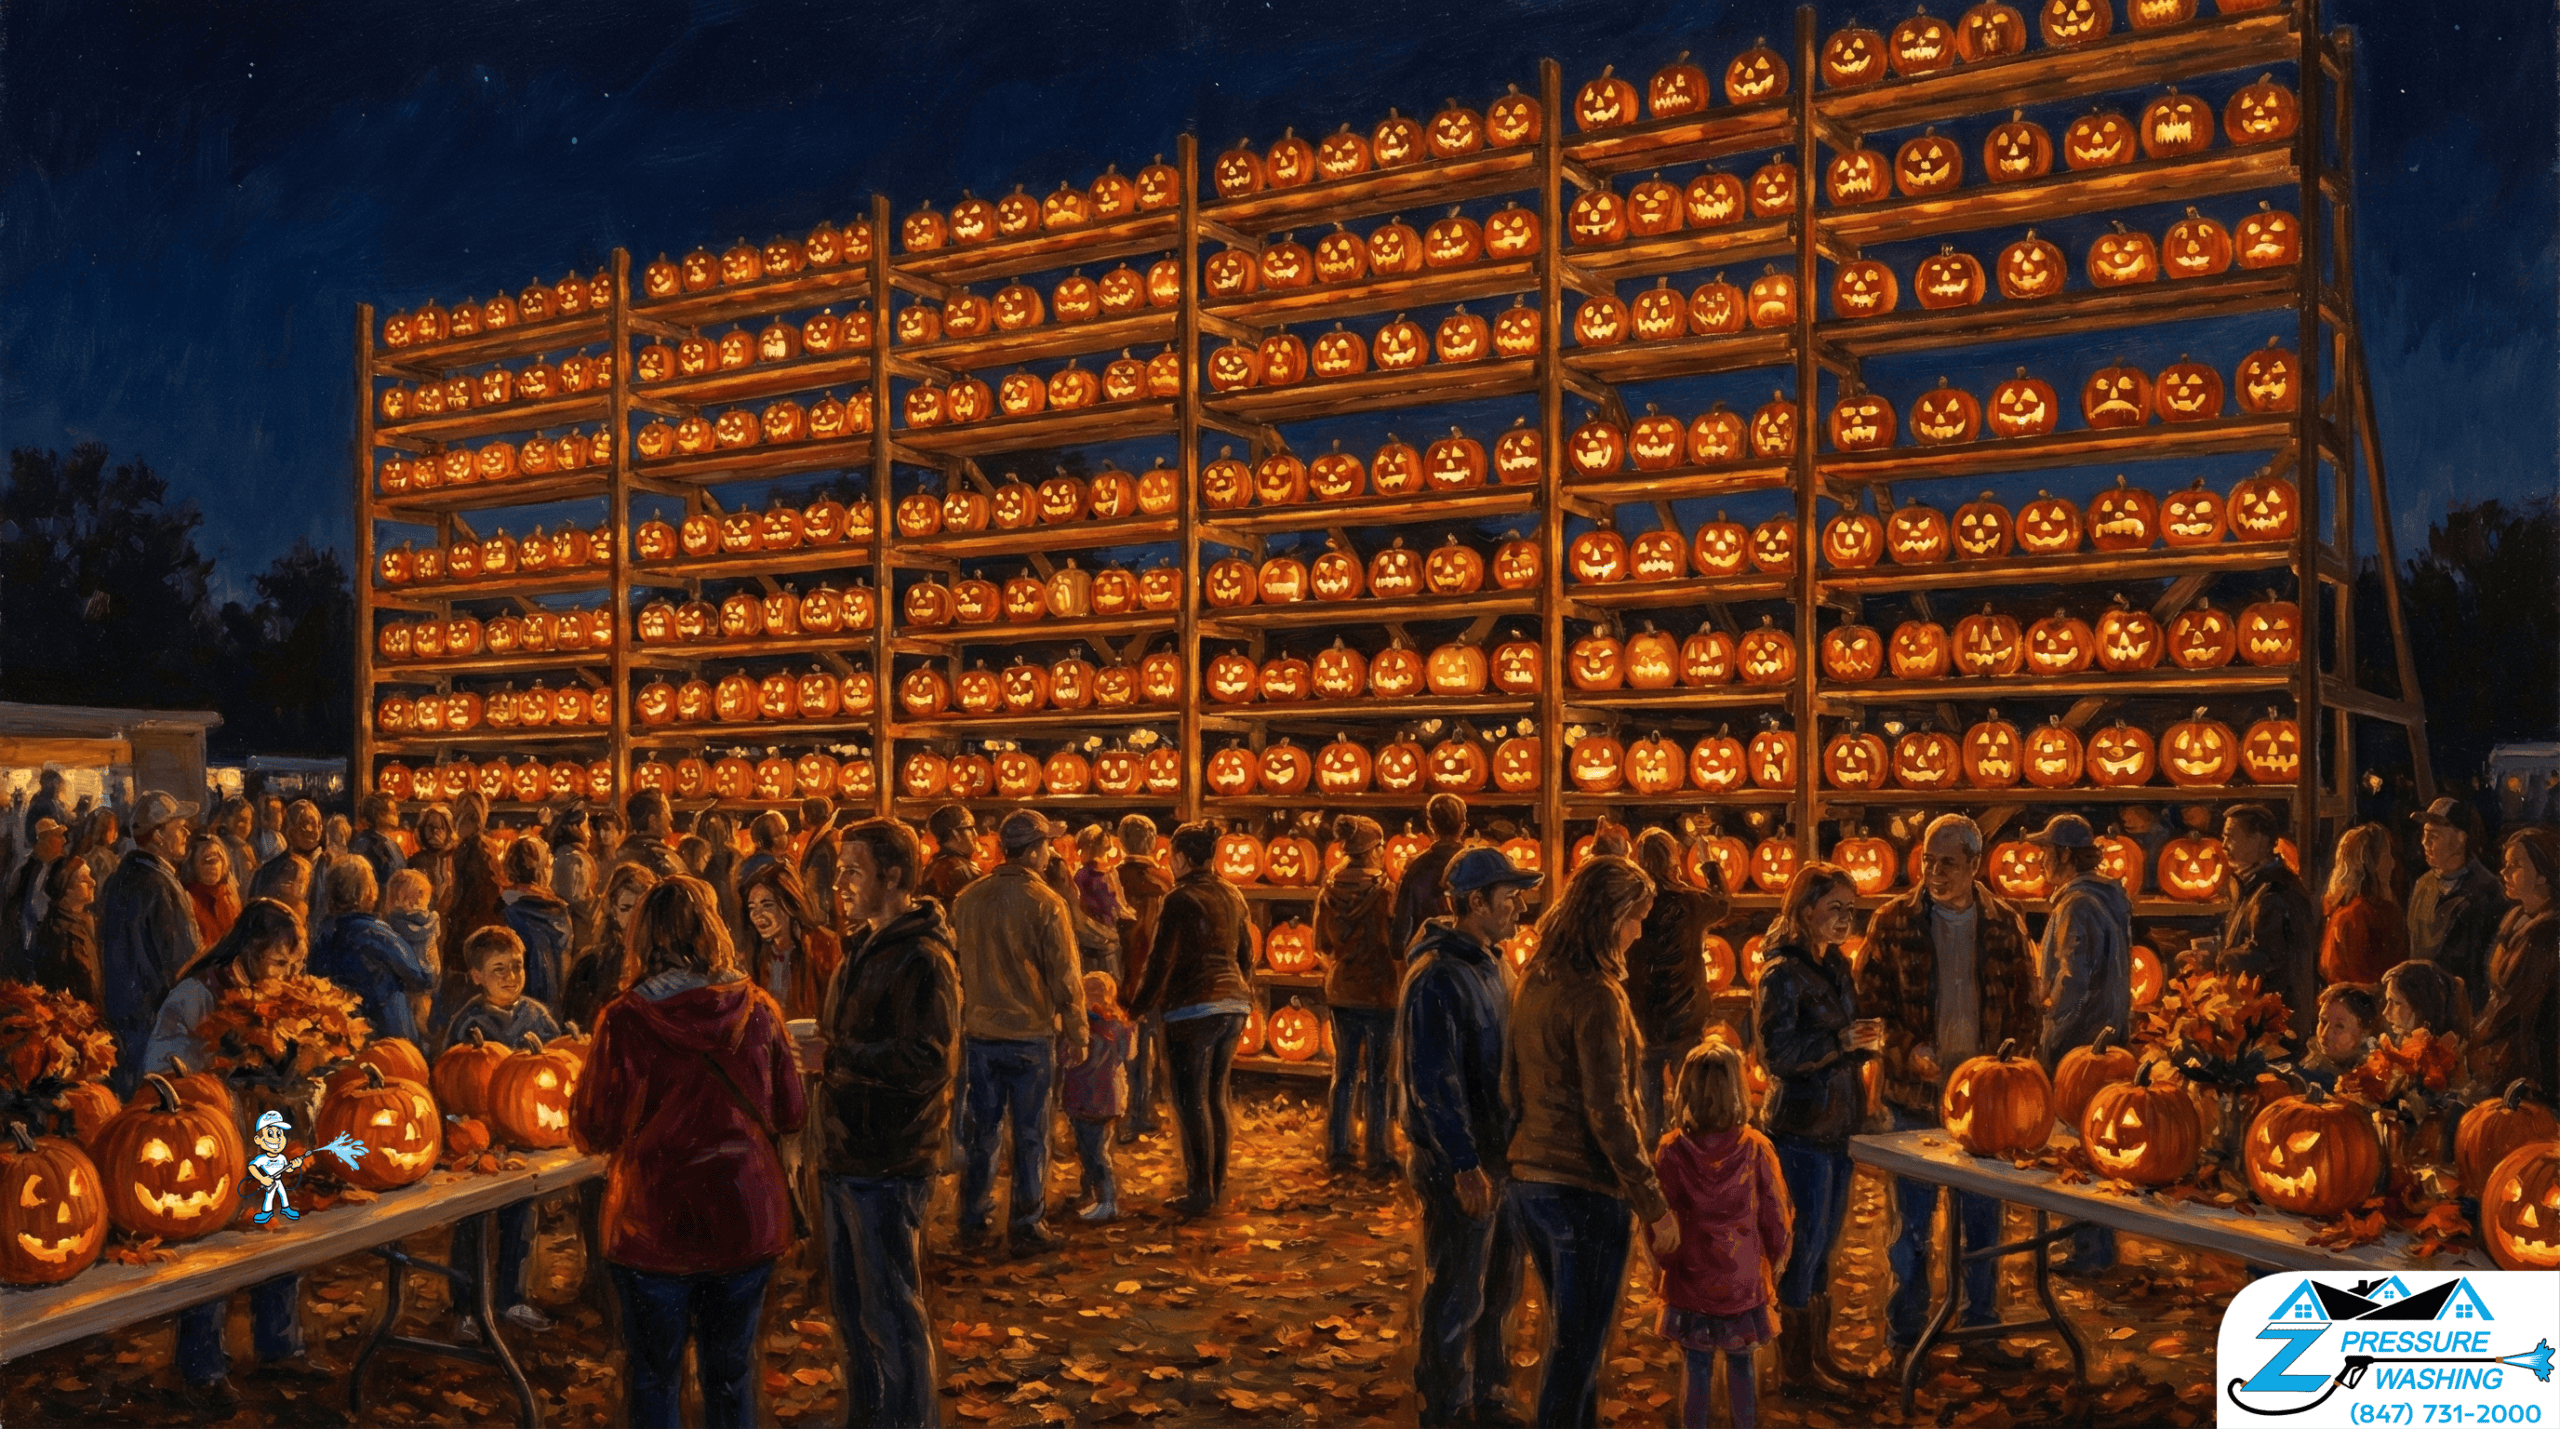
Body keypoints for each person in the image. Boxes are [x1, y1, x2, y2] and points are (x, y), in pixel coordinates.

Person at [571, 876, 806, 1429]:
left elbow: (593, 1128)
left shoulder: (624, 1021)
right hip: (746, 1215)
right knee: (731, 1375)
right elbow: (791, 1111)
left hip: (654, 1222)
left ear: (644, 936)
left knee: (655, 1378)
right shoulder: (758, 1010)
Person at [1856, 814, 2036, 1361]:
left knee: (1982, 1222)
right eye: (1928, 861)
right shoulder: (1893, 922)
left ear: (1975, 865)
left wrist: (2009, 1069)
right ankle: (1906, 1331)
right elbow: (1870, 1009)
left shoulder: (2005, 924)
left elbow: (2027, 1010)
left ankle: (1981, 1326)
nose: (1935, 872)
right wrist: (1907, 1050)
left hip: (1986, 1104)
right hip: (1915, 1098)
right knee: (1912, 1226)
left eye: (1948, 863)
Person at [1504, 854, 1674, 1429]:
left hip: (1531, 1183)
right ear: (1610, 917)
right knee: (1578, 1350)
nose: (1639, 931)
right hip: (1585, 1190)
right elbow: (1611, 1113)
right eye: (1635, 918)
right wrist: (1652, 1201)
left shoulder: (1536, 978)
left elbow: (1510, 1082)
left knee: (1570, 1336)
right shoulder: (1597, 996)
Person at [143, 898, 332, 1413]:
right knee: (214, 1243)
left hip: (269, 1131)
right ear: (248, 949)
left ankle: (280, 1343)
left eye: (292, 966)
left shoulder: (282, 995)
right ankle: (203, 1364)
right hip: (213, 1141)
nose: (287, 974)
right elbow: (162, 1065)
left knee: (278, 1229)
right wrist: (222, 1071)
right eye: (278, 963)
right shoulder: (196, 993)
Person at [821, 817, 960, 1429]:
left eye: (852, 870)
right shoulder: (860, 948)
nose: (840, 882)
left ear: (893, 875)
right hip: (844, 1151)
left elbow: (928, 1061)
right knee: (852, 1313)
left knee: (890, 1311)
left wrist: (836, 1058)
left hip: (891, 1156)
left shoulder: (924, 958)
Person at [1399, 846, 1540, 1429]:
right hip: (1459, 1157)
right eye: (1509, 898)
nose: (1520, 908)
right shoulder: (1437, 976)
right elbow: (1434, 1083)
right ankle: (1446, 1401)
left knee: (1502, 1280)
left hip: (1501, 1151)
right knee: (1459, 1284)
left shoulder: (1492, 962)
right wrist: (1462, 1161)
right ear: (1476, 902)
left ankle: (1490, 1385)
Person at [1757, 862, 1884, 1394]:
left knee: (1826, 1245)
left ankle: (1818, 1356)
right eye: (1835, 909)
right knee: (1802, 1245)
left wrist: (1861, 1048)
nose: (1844, 919)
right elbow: (1776, 1055)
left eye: (1850, 911)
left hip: (1838, 1124)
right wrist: (1841, 1045)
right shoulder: (1781, 974)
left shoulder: (1835, 966)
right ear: (1805, 910)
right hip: (1801, 1128)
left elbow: (1842, 1036)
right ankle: (1797, 1370)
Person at [948, 809, 1085, 1253]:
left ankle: (974, 1214)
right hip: (1030, 1033)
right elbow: (1065, 976)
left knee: (981, 1131)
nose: (1051, 853)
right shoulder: (1047, 903)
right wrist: (1078, 1031)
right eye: (1047, 845)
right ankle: (1027, 1221)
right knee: (1030, 1133)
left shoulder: (968, 899)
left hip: (980, 1033)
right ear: (1032, 850)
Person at [1655, 1040, 1789, 1429]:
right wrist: (1776, 1260)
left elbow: (1658, 1223)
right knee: (1741, 1366)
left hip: (1691, 1282)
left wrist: (1663, 1266)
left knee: (1696, 1368)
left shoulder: (1670, 1152)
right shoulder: (1757, 1150)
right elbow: (1776, 1215)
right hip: (1741, 1284)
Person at [1126, 820, 1256, 1216]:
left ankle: (1199, 1191)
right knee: (1216, 1096)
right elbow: (1246, 955)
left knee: (1189, 1101)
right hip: (1233, 1003)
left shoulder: (1178, 899)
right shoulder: (1233, 894)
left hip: (1192, 1006)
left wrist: (1135, 1009)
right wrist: (1238, 992)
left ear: (1181, 858)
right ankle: (1214, 1184)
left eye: (1171, 856)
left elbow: (1160, 961)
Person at [2027, 813, 2132, 1277]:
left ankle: (2088, 1247)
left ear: (2065, 856)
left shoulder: (2077, 906)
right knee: (2097, 1147)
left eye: (2046, 853)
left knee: (2076, 1149)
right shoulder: (2109, 899)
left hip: (2076, 1044)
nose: (2041, 862)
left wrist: (2045, 1011)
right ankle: (2095, 1243)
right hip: (2107, 1038)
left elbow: (2074, 975)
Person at [1626, 828, 1732, 1140]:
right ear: (1674, 864)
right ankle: (1685, 1159)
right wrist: (1708, 863)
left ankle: (1655, 1160)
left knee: (1649, 1103)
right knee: (1689, 1101)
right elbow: (1723, 903)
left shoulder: (1630, 905)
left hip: (1643, 1020)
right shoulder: (1690, 902)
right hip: (1684, 1019)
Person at [1313, 814, 1401, 1175]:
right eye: (1381, 846)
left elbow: (1320, 944)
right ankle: (1378, 1152)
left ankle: (1338, 1149)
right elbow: (1396, 942)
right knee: (1380, 1075)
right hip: (1380, 991)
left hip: (1342, 989)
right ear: (1372, 850)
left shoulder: (1328, 890)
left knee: (1344, 1071)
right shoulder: (1386, 892)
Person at [99, 790, 203, 1095]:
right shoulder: (159, 885)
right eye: (178, 826)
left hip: (126, 1017)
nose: (187, 831)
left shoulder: (121, 878)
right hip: (157, 1019)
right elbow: (184, 962)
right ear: (157, 835)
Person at [2205, 804, 2320, 1022]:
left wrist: (2219, 959)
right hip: (2258, 1014)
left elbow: (2264, 957)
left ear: (2257, 840)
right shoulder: (2253, 885)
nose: (2224, 846)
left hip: (2274, 1020)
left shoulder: (2275, 893)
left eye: (2230, 837)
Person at [309, 855, 438, 1045]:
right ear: (370, 892)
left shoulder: (324, 933)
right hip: (387, 1034)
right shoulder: (377, 932)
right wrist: (432, 961)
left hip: (338, 1034)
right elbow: (420, 977)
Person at [2467, 827, 2558, 1096]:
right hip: (2500, 1047)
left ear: (2542, 873)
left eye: (2516, 865)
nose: (2504, 873)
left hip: (2531, 1058)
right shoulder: (2515, 917)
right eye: (2505, 865)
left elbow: (2512, 1005)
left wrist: (2471, 1041)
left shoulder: (2547, 934)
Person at [2407, 797, 2513, 1007]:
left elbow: (2488, 971)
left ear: (2460, 839)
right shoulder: (2423, 885)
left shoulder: (2488, 892)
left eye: (2433, 836)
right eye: (2424, 835)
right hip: (2421, 1004)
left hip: (2464, 1009)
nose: (2424, 843)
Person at [1112, 814, 1173, 1143]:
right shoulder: (1162, 883)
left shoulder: (1110, 879)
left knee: (1115, 1047)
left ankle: (1116, 1112)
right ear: (1151, 843)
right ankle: (1139, 1112)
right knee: (1146, 1048)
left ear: (1121, 843)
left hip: (1116, 973)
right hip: (1150, 974)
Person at [1062, 970, 1137, 1222]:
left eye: (1096, 993)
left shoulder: (1087, 1027)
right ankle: (1089, 1194)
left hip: (1095, 1097)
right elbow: (1130, 1055)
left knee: (1095, 1151)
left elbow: (1065, 1057)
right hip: (1095, 1097)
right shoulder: (1115, 1026)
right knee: (1088, 1148)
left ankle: (1107, 1200)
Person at [739, 860, 842, 1021]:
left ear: (789, 905)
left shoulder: (824, 945)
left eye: (767, 905)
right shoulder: (760, 955)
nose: (757, 915)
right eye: (752, 907)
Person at [563, 863, 655, 1032]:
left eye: (641, 909)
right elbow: (573, 1028)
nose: (634, 918)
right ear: (613, 910)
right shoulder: (590, 965)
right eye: (626, 909)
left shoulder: (660, 963)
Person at [2321, 823, 2409, 986]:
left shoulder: (2384, 909)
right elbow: (2362, 982)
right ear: (2370, 863)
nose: (2392, 864)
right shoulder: (2356, 915)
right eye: (2386, 856)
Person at [498, 836, 574, 1013]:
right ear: (544, 869)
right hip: (553, 1002)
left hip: (514, 1001)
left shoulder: (504, 908)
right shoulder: (560, 911)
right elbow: (565, 964)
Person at [24, 855, 102, 1008]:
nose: (93, 882)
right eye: (83, 880)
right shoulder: (64, 932)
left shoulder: (84, 923)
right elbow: (89, 990)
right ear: (66, 889)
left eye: (90, 877)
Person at [1393, 794, 1469, 950]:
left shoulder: (1416, 867)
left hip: (1427, 952)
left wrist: (1399, 953)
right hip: (1469, 953)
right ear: (1463, 826)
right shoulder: (1475, 864)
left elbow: (1402, 921)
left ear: (1431, 825)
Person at [1042, 852, 1122, 986]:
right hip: (1070, 977)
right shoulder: (1060, 903)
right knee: (1110, 948)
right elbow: (1085, 928)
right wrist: (1112, 935)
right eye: (1063, 877)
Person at [379, 868, 442, 1036]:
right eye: (411, 895)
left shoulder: (390, 923)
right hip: (423, 984)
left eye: (421, 894)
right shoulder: (432, 922)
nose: (417, 900)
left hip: (409, 985)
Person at [251, 799, 326, 929]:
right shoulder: (267, 872)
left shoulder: (330, 869)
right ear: (289, 829)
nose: (311, 830)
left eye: (316, 824)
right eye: (304, 824)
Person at [5, 816, 68, 958]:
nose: (64, 841)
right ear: (44, 841)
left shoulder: (61, 867)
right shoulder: (26, 868)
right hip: (27, 937)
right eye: (58, 836)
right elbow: (13, 901)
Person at [2301, 983, 2381, 1094]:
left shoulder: (2375, 1074)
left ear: (2364, 1032)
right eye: (2323, 1021)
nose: (2325, 1034)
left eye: (2340, 1026)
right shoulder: (2308, 1071)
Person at [548, 807, 599, 948]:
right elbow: (577, 902)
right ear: (575, 828)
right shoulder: (575, 859)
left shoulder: (561, 854)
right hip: (577, 933)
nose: (589, 834)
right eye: (586, 827)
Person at [610, 790, 687, 881]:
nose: (671, 818)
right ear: (652, 821)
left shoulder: (622, 852)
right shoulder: (663, 859)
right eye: (667, 812)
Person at [182, 833, 241, 949]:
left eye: (216, 859)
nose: (213, 866)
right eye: (206, 861)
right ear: (193, 864)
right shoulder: (187, 897)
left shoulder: (230, 893)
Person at [920, 804, 980, 907]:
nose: (976, 834)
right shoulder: (963, 871)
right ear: (955, 833)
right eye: (970, 828)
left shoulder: (932, 865)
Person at [349, 794, 408, 892]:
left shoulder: (391, 842)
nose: (397, 814)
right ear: (378, 814)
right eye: (393, 812)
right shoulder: (364, 843)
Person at [408, 803, 458, 905]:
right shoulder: (416, 861)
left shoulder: (456, 858)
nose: (434, 831)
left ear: (448, 831)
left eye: (440, 827)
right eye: (430, 827)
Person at [26, 770, 70, 844]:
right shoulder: (39, 803)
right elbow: (32, 834)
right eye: (52, 783)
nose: (57, 787)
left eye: (57, 783)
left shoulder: (58, 803)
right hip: (48, 847)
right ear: (43, 784)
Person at [251, 793, 287, 865]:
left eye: (280, 812)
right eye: (277, 813)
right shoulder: (268, 836)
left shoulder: (278, 836)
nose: (280, 817)